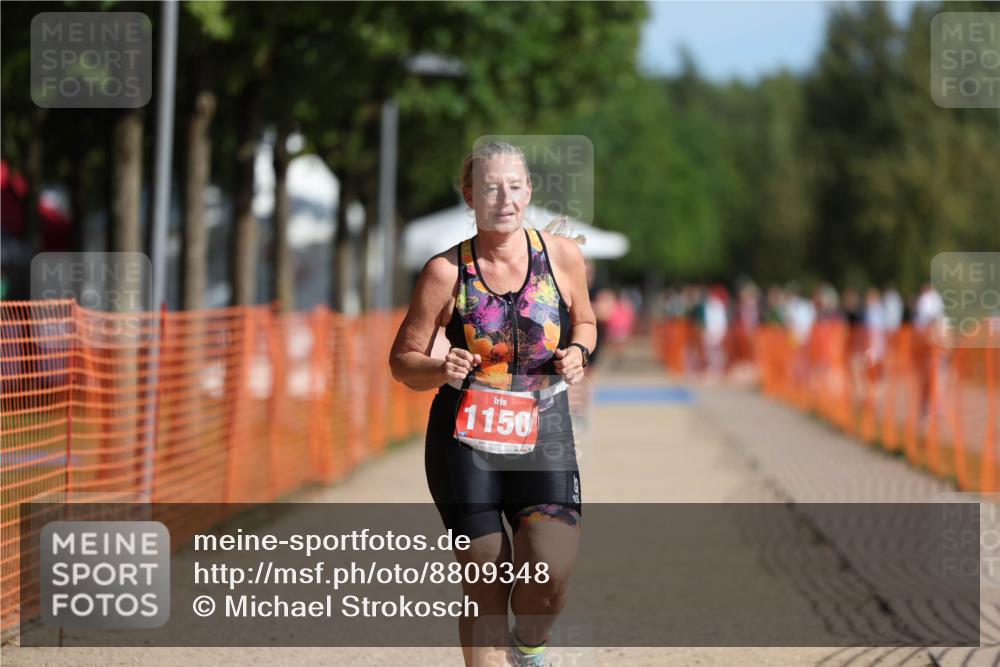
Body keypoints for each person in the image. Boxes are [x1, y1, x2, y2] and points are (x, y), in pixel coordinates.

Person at [389, 141, 597, 667]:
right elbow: (402, 360)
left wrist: (577, 350)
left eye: (513, 186)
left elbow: (587, 322)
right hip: (465, 434)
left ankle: (529, 650)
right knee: (486, 572)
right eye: (489, 187)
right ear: (469, 195)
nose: (503, 198)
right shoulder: (444, 272)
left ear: (528, 191)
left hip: (543, 427)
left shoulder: (562, 257)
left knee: (548, 571)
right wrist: (439, 367)